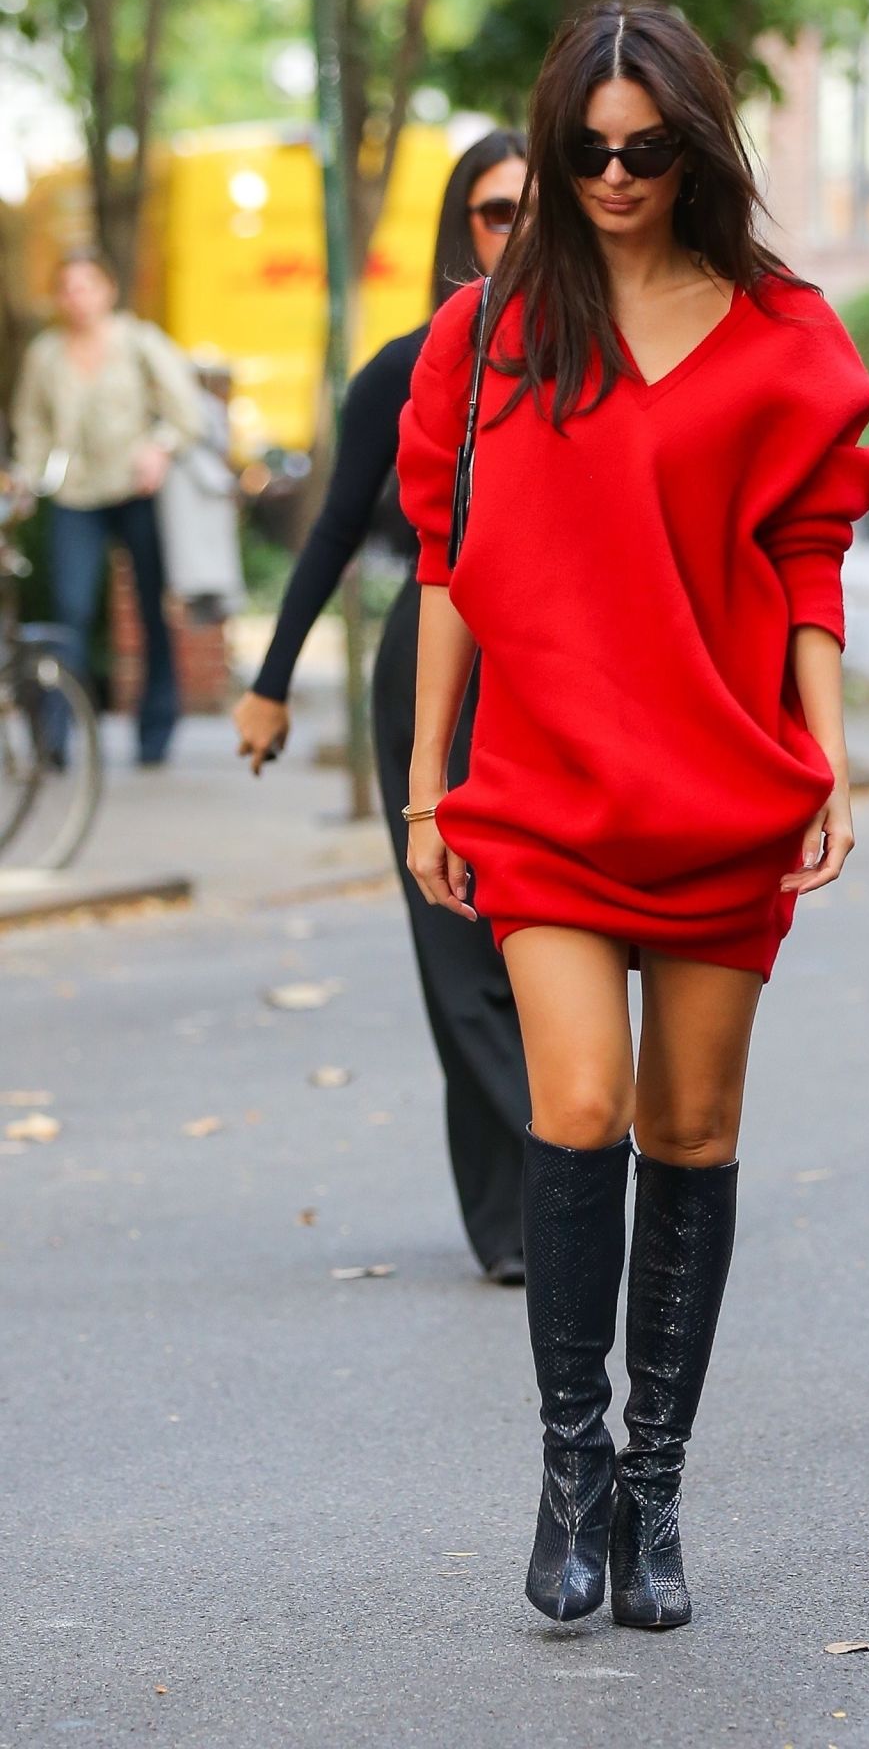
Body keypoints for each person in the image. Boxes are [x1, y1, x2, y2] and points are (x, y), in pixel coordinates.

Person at [397, 4, 869, 1629]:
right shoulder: (492, 337)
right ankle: (568, 1477)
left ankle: (655, 1490)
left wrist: (829, 764)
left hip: (723, 780)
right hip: (539, 786)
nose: (613, 175)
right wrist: (424, 789)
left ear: (697, 148)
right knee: (583, 1099)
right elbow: (450, 565)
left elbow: (811, 556)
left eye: (647, 150)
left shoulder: (774, 332)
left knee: (691, 1129)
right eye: (587, 149)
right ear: (556, 144)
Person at [233, 131, 532, 1286]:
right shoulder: (406, 369)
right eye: (494, 211)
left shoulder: (592, 356)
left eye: (530, 209)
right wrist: (267, 684)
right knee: (455, 947)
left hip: (551, 660)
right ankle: (519, 1219)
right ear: (462, 224)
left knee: (541, 933)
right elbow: (333, 530)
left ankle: (551, 1184)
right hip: (433, 659)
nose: (515, 229)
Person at [11, 251, 203, 765]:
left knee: (149, 609)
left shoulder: (139, 342)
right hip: (74, 493)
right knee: (70, 610)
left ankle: (156, 731)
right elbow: (31, 425)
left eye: (86, 286)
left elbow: (187, 411)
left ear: (108, 290)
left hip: (136, 490)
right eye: (67, 288)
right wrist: (27, 480)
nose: (77, 298)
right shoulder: (45, 354)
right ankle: (58, 737)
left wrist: (159, 446)